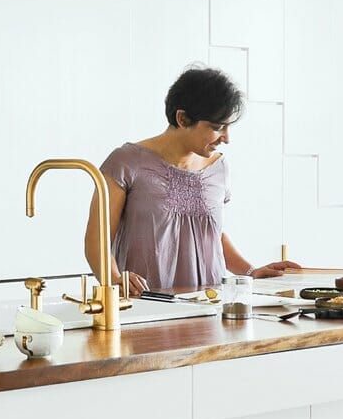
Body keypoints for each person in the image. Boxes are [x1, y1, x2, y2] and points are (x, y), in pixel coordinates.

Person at [85, 66, 299, 296]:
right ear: (183, 118)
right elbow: (97, 240)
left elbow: (212, 235)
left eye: (228, 127)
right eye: (217, 127)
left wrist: (249, 271)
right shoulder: (126, 162)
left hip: (209, 307)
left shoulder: (219, 168)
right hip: (145, 306)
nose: (226, 138)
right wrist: (116, 279)